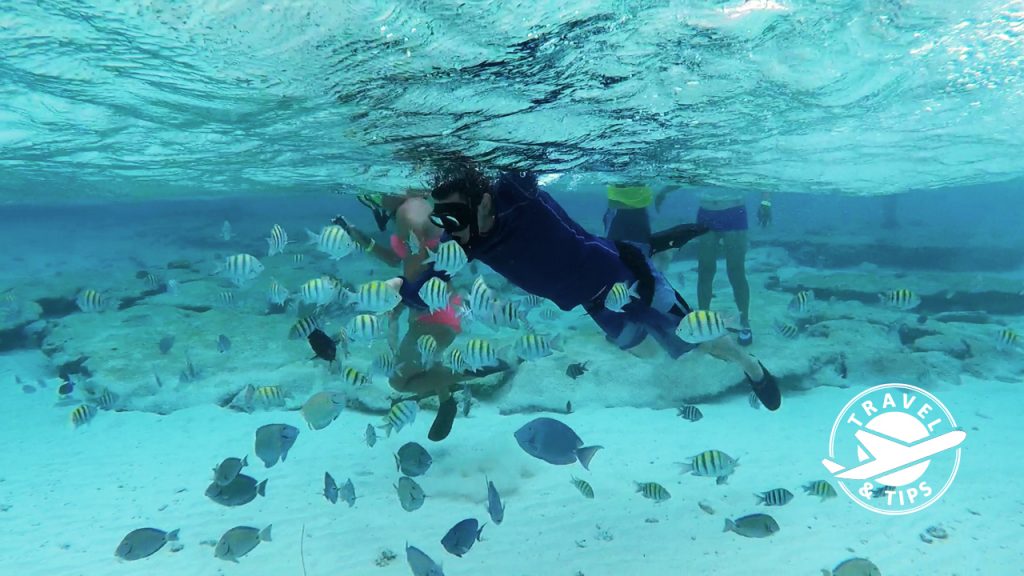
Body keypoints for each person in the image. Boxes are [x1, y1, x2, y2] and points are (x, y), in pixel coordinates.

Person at [387, 162, 782, 417]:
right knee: (650, 355)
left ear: (486, 202)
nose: (449, 227)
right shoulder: (465, 243)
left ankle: (751, 365)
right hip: (595, 305)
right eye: (444, 219)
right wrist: (400, 290)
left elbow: (522, 154)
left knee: (700, 341)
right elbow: (428, 283)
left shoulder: (514, 193)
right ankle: (661, 255)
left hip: (627, 277)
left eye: (454, 217)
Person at [335, 190, 504, 442]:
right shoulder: (423, 206)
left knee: (400, 383)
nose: (378, 201)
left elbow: (414, 272)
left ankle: (478, 371)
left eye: (381, 195)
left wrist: (399, 298)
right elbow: (406, 260)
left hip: (431, 310)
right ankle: (446, 400)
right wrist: (360, 238)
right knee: (429, 363)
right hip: (445, 304)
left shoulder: (407, 211)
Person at [655, 186, 771, 346]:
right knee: (705, 270)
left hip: (734, 212)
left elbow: (760, 173)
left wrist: (766, 201)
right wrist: (665, 190)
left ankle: (744, 322)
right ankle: (702, 321)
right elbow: (690, 172)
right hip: (706, 212)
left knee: (736, 271)